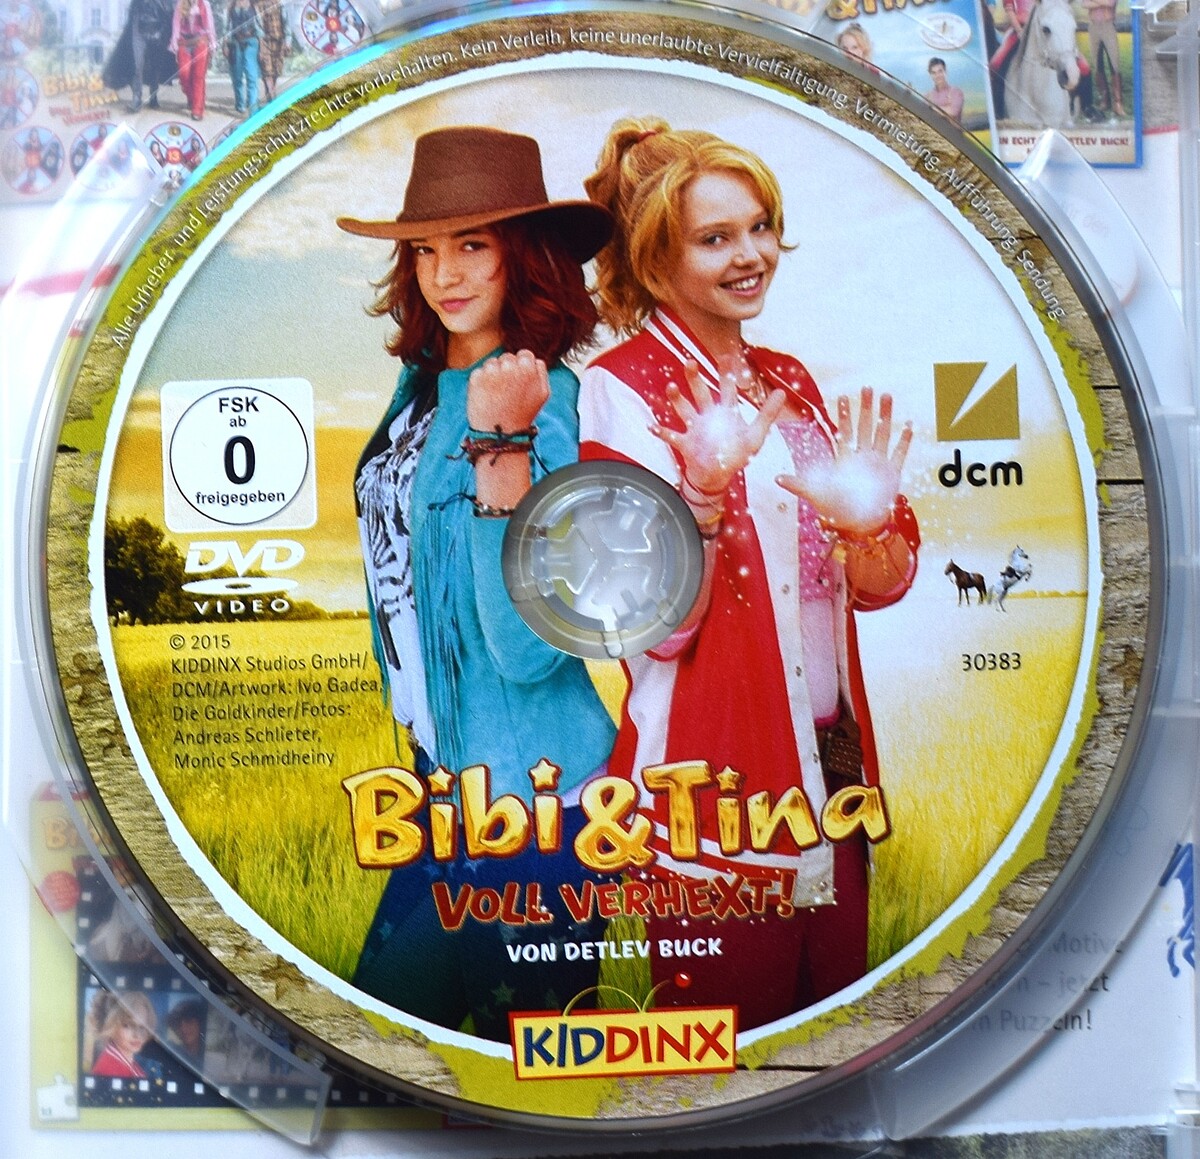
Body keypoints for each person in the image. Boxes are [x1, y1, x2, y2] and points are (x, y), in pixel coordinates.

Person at [578, 118, 920, 1031]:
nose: (752, 254)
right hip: (712, 778)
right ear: (656, 260)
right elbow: (654, 628)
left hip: (834, 765)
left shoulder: (789, 379)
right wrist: (697, 496)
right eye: (716, 237)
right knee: (723, 1056)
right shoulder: (619, 387)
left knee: (832, 1040)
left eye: (761, 226)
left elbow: (879, 584)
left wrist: (868, 526)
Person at [336, 126, 618, 1040]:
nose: (443, 274)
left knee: (528, 1065)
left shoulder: (547, 401)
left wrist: (502, 445)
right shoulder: (421, 387)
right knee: (382, 1040)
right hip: (439, 787)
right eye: (424, 249)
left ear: (523, 256)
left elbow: (531, 647)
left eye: (472, 245)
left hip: (538, 807)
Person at [102, 0, 175, 113]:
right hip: (139, 29)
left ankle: (153, 96)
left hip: (158, 29)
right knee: (137, 65)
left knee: (155, 67)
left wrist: (162, 31)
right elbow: (133, 10)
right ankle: (137, 98)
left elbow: (170, 10)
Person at [88, 991, 157, 1078]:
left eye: (142, 1027)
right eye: (127, 1025)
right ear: (111, 1025)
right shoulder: (108, 1069)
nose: (137, 1035)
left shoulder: (131, 1065)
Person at [168, 0, 216, 121]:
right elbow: (176, 25)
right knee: (184, 73)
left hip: (200, 41)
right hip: (184, 42)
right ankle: (193, 97)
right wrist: (174, 42)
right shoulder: (180, 4)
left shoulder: (204, 4)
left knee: (198, 75)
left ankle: (197, 109)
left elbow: (209, 25)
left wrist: (212, 43)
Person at [1082, 0, 1124, 116]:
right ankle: (1105, 100)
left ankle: (1118, 103)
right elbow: (1084, 4)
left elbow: (1110, 3)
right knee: (1097, 64)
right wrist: (1102, 2)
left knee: (1114, 63)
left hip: (1108, 25)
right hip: (1093, 27)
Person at [226, 0, 263, 115]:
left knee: (252, 76)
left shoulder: (253, 6)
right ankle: (240, 104)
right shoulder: (231, 7)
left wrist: (262, 47)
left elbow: (260, 28)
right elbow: (226, 28)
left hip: (251, 42)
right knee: (237, 76)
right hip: (235, 43)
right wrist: (225, 45)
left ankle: (253, 108)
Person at [924, 56, 965, 123]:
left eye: (940, 71)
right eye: (934, 73)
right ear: (930, 75)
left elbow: (953, 112)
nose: (937, 76)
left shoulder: (956, 92)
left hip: (950, 129)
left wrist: (931, 107)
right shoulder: (928, 96)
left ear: (945, 72)